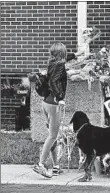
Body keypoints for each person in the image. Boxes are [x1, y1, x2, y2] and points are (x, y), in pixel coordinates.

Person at [33, 42, 68, 178]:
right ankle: (40, 165)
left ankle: (56, 166)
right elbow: (53, 82)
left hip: (46, 103)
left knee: (53, 136)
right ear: (61, 53)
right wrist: (60, 98)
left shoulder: (52, 63)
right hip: (54, 104)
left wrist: (77, 55)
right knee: (53, 136)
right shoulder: (60, 65)